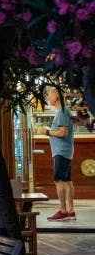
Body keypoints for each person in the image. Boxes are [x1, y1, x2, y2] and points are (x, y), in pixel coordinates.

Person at [45, 87, 76, 221]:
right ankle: (70, 211)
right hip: (64, 151)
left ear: (56, 96)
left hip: (61, 151)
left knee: (59, 181)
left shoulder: (62, 112)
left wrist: (46, 132)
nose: (47, 98)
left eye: (49, 95)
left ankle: (63, 211)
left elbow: (63, 133)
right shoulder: (63, 111)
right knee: (67, 181)